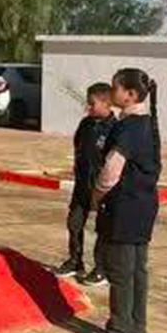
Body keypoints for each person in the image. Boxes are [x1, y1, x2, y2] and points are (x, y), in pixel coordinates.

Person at [83, 68, 162, 333]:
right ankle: (137, 332)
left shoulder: (130, 126)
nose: (111, 91)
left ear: (129, 95)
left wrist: (96, 196)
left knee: (121, 272)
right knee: (137, 271)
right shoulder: (147, 122)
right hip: (143, 205)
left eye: (115, 88)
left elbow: (111, 170)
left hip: (125, 206)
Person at [55, 83, 115, 286]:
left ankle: (101, 268)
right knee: (74, 222)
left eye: (92, 104)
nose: (88, 108)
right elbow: (78, 145)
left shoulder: (114, 128)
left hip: (102, 188)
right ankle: (75, 261)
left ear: (106, 103)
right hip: (82, 184)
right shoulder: (86, 125)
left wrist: (104, 184)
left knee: (103, 229)